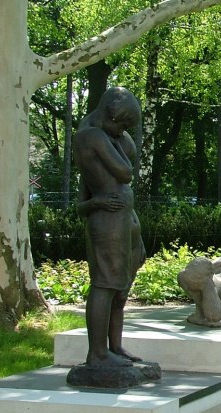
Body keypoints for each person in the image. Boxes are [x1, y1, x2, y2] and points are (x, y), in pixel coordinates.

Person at [74, 87, 145, 368]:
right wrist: (98, 202)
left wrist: (118, 133)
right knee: (105, 285)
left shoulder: (110, 135)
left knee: (120, 288)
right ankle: (97, 354)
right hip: (108, 225)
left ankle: (114, 347)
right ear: (109, 115)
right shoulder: (90, 136)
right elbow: (125, 171)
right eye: (122, 125)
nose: (123, 132)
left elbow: (128, 152)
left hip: (125, 222)